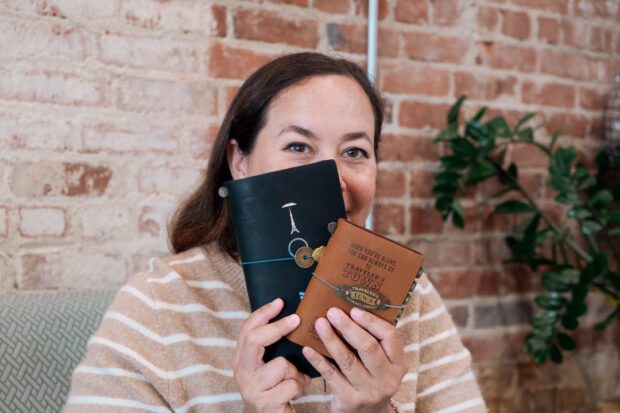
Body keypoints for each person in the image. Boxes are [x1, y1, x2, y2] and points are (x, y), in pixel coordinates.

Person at [65, 53, 486, 413]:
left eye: (355, 151)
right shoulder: (157, 308)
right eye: (299, 146)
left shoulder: (409, 300)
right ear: (239, 160)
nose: (333, 177)